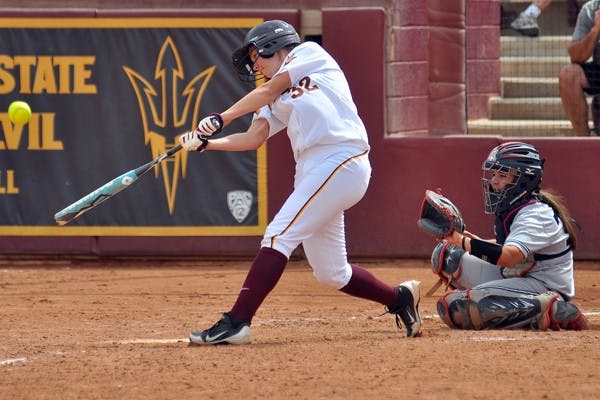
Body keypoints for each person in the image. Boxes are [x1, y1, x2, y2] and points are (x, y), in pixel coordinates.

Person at [178, 20, 422, 344]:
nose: (256, 66)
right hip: (312, 170)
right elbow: (255, 137)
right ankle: (399, 298)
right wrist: (209, 144)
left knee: (279, 234)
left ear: (273, 45)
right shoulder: (271, 96)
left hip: (341, 156)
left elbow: (266, 90)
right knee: (331, 273)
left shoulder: (308, 54)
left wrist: (222, 117)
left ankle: (237, 322)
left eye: (257, 57)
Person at [427, 141, 587, 331]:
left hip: (543, 285)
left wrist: (460, 239)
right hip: (518, 273)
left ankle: (553, 309)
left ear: (524, 179)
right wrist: (466, 241)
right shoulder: (514, 206)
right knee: (447, 255)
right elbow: (507, 247)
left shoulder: (536, 214)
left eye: (503, 175)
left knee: (454, 307)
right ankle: (501, 298)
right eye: (494, 173)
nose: (494, 180)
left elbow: (509, 257)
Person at [559, 0, 600, 136]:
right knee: (569, 74)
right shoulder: (591, 9)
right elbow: (576, 56)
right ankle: (584, 140)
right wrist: (596, 30)